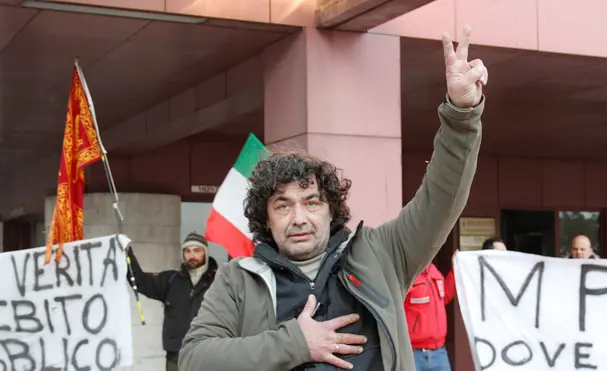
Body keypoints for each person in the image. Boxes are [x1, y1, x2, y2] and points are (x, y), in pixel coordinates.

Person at [179, 25, 487, 371]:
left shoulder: (381, 254)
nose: (299, 217)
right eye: (283, 205)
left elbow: (442, 198)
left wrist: (462, 115)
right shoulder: (238, 278)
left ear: (331, 211)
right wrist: (295, 342)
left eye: (311, 202)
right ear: (265, 218)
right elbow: (195, 359)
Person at [126, 231, 218, 371]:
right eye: (187, 251)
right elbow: (140, 281)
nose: (192, 255)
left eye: (196, 250)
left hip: (208, 355)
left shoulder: (218, 282)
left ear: (205, 252)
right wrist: (128, 255)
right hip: (176, 356)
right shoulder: (172, 280)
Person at [405, 251, 457, 371]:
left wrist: (455, 270)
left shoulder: (433, 271)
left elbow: (444, 296)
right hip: (413, 354)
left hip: (439, 352)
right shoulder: (406, 275)